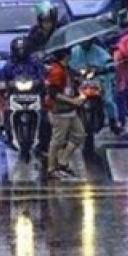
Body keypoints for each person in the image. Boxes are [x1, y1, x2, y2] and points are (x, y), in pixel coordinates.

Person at [0, 36, 48, 149]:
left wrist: (41, 82)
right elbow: (2, 78)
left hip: (34, 94)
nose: (21, 52)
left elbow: (42, 75)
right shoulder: (9, 65)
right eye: (19, 50)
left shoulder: (34, 63)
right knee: (7, 111)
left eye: (23, 49)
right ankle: (8, 134)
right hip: (15, 94)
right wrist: (4, 84)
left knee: (44, 114)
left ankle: (44, 138)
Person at [45, 46, 87, 181]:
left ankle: (63, 161)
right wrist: (72, 101)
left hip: (70, 110)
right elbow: (53, 93)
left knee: (79, 134)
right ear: (66, 55)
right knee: (57, 140)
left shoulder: (66, 69)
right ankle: (51, 169)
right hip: (60, 111)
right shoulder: (57, 71)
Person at [68, 35, 118, 133]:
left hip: (98, 81)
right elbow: (68, 64)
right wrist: (73, 71)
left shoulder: (100, 51)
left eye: (86, 40)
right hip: (80, 81)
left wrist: (106, 68)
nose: (84, 42)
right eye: (82, 40)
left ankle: (113, 121)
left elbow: (109, 62)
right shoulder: (74, 51)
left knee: (108, 101)